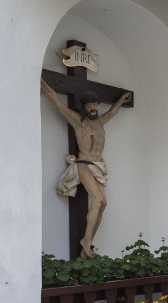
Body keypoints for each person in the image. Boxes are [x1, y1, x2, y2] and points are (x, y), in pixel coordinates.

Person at [40, 79, 132, 257]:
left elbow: (112, 112)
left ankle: (88, 242)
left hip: (98, 166)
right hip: (83, 165)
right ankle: (86, 241)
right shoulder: (77, 121)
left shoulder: (100, 121)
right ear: (84, 107)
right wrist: (40, 80)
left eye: (95, 105)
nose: (93, 108)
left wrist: (121, 100)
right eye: (89, 105)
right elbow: (55, 100)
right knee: (97, 200)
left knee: (103, 203)